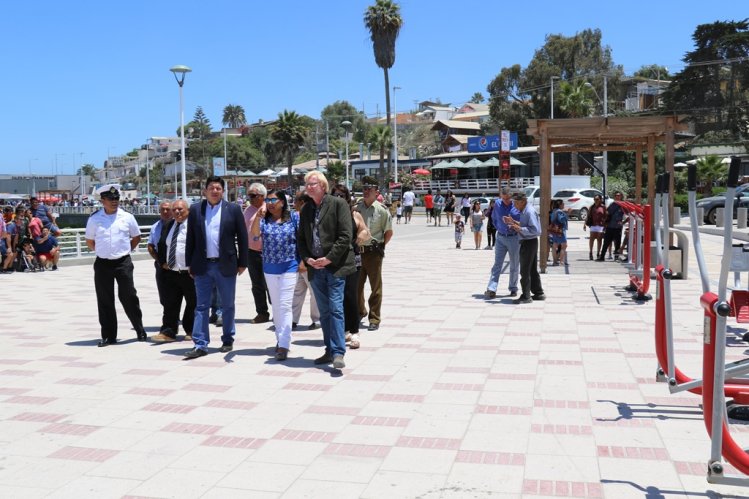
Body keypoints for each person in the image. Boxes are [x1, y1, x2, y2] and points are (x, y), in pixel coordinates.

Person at [184, 176, 249, 359]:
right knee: (201, 306)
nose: (215, 191)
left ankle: (227, 338)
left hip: (226, 265)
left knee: (228, 305)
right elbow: (191, 238)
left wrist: (243, 262)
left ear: (223, 191)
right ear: (205, 191)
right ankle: (200, 343)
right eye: (211, 188)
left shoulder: (233, 209)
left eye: (218, 188)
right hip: (202, 266)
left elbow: (243, 238)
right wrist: (189, 263)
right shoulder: (196, 210)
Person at [298, 171, 356, 369]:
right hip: (315, 269)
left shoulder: (338, 204)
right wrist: (307, 259)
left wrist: (328, 259)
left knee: (336, 309)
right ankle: (329, 350)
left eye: (312, 183)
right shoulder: (306, 209)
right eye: (307, 183)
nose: (308, 186)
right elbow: (301, 240)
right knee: (324, 312)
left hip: (335, 267)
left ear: (322, 185)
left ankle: (339, 352)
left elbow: (345, 236)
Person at [84, 184, 147, 347]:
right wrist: (102, 251)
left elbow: (136, 237)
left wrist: (124, 250)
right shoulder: (95, 218)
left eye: (116, 198)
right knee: (105, 299)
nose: (114, 201)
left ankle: (139, 329)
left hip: (122, 262)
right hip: (103, 263)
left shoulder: (127, 217)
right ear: (102, 200)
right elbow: (90, 241)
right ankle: (108, 335)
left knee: (129, 296)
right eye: (110, 199)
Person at [250, 189, 300, 361]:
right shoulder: (264, 220)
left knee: (285, 305)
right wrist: (257, 216)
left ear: (283, 202)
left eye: (274, 200)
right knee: (277, 306)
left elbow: (302, 239)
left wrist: (303, 261)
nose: (270, 203)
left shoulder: (294, 218)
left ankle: (284, 344)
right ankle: (280, 338)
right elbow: (255, 234)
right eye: (268, 200)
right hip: (270, 268)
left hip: (290, 266)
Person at [333, 183, 371, 349]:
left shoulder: (354, 214)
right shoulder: (328, 214)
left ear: (347, 197)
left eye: (342, 195)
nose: (339, 197)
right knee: (336, 297)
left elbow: (366, 231)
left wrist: (361, 236)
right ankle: (342, 330)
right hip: (333, 260)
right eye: (336, 195)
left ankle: (354, 331)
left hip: (352, 259)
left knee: (350, 295)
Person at [152, 199, 195, 342]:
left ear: (188, 210)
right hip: (171, 272)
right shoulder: (169, 225)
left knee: (192, 303)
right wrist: (162, 262)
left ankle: (191, 330)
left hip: (189, 273)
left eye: (180, 209)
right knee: (170, 304)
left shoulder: (194, 226)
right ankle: (168, 332)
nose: (177, 212)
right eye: (174, 209)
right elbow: (160, 244)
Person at [355, 176, 393, 332]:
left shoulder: (382, 210)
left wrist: (380, 246)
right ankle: (360, 312)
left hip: (373, 253)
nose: (365, 192)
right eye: (364, 189)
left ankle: (374, 318)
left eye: (369, 189)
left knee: (375, 287)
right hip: (358, 252)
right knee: (356, 286)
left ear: (376, 192)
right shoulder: (357, 208)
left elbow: (388, 232)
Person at [505, 192, 545, 304]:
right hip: (530, 242)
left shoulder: (528, 211)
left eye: (515, 202)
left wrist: (520, 229)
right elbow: (526, 225)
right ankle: (538, 293)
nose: (514, 205)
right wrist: (513, 222)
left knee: (525, 270)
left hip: (528, 242)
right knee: (532, 269)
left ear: (522, 201)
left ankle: (526, 296)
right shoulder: (525, 210)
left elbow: (536, 230)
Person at [243, 182, 271, 324]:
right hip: (251, 252)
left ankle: (278, 311)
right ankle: (262, 313)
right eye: (249, 195)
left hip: (268, 252)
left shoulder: (269, 209)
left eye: (253, 196)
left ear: (262, 196)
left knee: (271, 284)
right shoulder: (247, 210)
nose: (250, 198)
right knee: (257, 284)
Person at [484, 187, 520, 299]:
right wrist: (500, 228)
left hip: (514, 238)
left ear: (511, 196)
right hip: (500, 237)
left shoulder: (516, 205)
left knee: (514, 264)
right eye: (503, 198)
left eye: (507, 198)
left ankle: (513, 288)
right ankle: (492, 289)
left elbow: (522, 222)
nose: (505, 201)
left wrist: (512, 225)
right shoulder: (497, 204)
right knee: (497, 264)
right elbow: (494, 219)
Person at [291, 192, 319, 331]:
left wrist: (305, 261)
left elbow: (309, 241)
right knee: (297, 291)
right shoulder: (296, 216)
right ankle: (292, 319)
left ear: (302, 202)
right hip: (297, 261)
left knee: (314, 291)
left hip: (308, 261)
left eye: (295, 201)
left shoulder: (310, 218)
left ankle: (317, 319)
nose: (293, 203)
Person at [147, 201, 173, 318]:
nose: (165, 212)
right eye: (163, 209)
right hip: (161, 266)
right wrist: (160, 262)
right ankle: (170, 318)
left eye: (168, 209)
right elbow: (150, 246)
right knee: (164, 295)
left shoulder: (180, 226)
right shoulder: (155, 227)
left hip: (179, 266)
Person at [598, 191, 625, 261]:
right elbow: (607, 213)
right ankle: (602, 256)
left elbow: (628, 214)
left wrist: (623, 222)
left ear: (621, 196)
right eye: (616, 195)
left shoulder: (623, 205)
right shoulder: (612, 204)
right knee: (606, 242)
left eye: (619, 195)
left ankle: (616, 257)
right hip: (610, 226)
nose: (617, 196)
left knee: (617, 242)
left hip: (618, 227)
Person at [584, 195, 607, 260]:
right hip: (593, 225)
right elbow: (588, 216)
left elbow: (606, 215)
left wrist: (605, 224)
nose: (595, 200)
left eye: (597, 199)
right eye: (595, 199)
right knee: (592, 239)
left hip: (600, 225)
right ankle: (590, 252)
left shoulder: (603, 207)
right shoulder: (592, 207)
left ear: (600, 199)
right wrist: (585, 224)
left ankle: (598, 253)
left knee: (599, 239)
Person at [549, 199, 569, 266]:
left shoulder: (554, 211)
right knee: (564, 245)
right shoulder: (560, 212)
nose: (564, 205)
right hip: (560, 231)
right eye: (563, 203)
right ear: (560, 204)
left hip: (554, 231)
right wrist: (567, 214)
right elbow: (561, 220)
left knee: (554, 245)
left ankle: (554, 261)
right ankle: (561, 261)